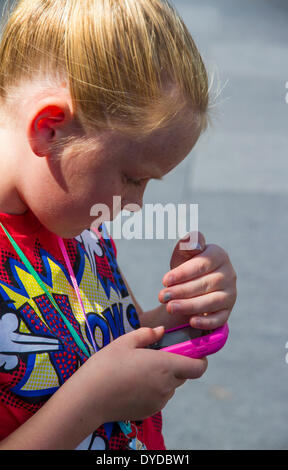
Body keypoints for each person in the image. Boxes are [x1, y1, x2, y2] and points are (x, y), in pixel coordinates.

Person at [0, 0, 237, 450]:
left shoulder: (79, 225)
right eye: (132, 178)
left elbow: (102, 341)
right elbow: (92, 386)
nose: (136, 205)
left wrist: (177, 318)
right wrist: (94, 402)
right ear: (50, 129)